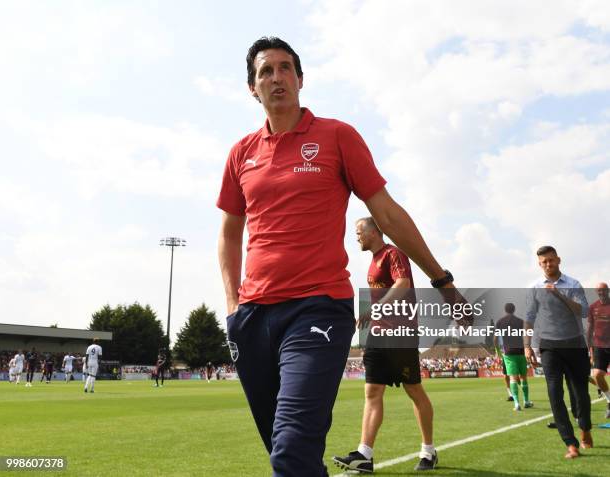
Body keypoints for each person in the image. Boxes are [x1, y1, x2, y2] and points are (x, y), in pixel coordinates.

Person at [217, 36, 457, 477]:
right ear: (252, 88)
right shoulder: (241, 153)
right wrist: (233, 306)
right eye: (265, 72)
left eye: (285, 68)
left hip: (317, 309)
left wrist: (442, 280)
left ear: (301, 79)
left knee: (290, 450)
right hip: (252, 317)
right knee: (290, 452)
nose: (276, 78)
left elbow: (387, 212)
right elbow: (231, 232)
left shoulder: (337, 136)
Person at [333, 217, 437, 473]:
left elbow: (403, 284)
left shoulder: (393, 254)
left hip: (400, 334)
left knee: (413, 390)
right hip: (378, 335)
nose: (356, 237)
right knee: (372, 392)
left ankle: (428, 451)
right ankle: (364, 455)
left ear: (373, 232)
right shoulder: (373, 262)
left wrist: (374, 307)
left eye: (359, 232)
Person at [524, 246, 591, 459]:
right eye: (543, 262)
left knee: (580, 394)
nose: (548, 265)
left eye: (551, 260)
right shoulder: (534, 287)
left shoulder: (573, 284)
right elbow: (529, 317)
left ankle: (585, 428)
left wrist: (559, 294)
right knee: (554, 393)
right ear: (539, 264)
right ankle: (570, 443)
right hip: (548, 346)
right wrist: (527, 346)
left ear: (558, 260)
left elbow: (584, 311)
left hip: (574, 344)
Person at [493, 303, 533, 411]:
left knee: (512, 378)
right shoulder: (520, 321)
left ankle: (516, 404)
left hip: (509, 353)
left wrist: (497, 351)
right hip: (520, 352)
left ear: (505, 310)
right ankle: (526, 401)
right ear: (514, 309)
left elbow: (495, 339)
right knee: (523, 377)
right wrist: (528, 348)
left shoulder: (500, 322)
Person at [587, 282, 610, 419]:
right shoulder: (593, 307)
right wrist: (589, 347)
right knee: (597, 375)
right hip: (599, 346)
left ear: (608, 290)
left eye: (603, 290)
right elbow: (590, 328)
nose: (601, 293)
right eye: (598, 291)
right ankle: (609, 401)